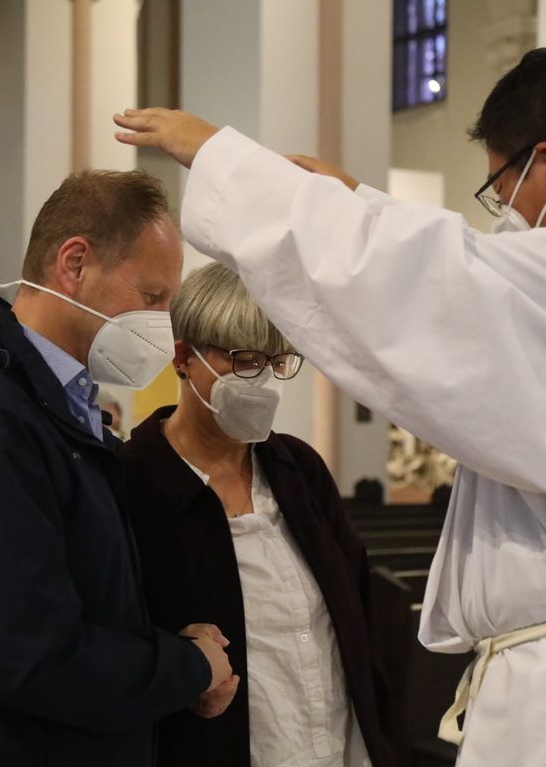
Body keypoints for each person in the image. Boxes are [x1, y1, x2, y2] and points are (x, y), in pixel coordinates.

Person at [112, 47, 546, 767]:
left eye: (500, 189)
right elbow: (491, 277)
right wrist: (360, 203)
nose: (506, 215)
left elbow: (445, 284)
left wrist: (229, 162)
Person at [0, 169, 234, 765]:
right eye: (152, 296)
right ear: (74, 263)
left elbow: (86, 595)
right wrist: (185, 667)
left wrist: (171, 647)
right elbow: (22, 654)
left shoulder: (54, 405)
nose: (164, 321)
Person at [119, 263, 395, 767]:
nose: (263, 379)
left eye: (277, 360)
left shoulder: (298, 470)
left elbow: (354, 615)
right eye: (244, 359)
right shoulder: (133, 482)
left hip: (334, 745)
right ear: (183, 358)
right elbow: (115, 638)